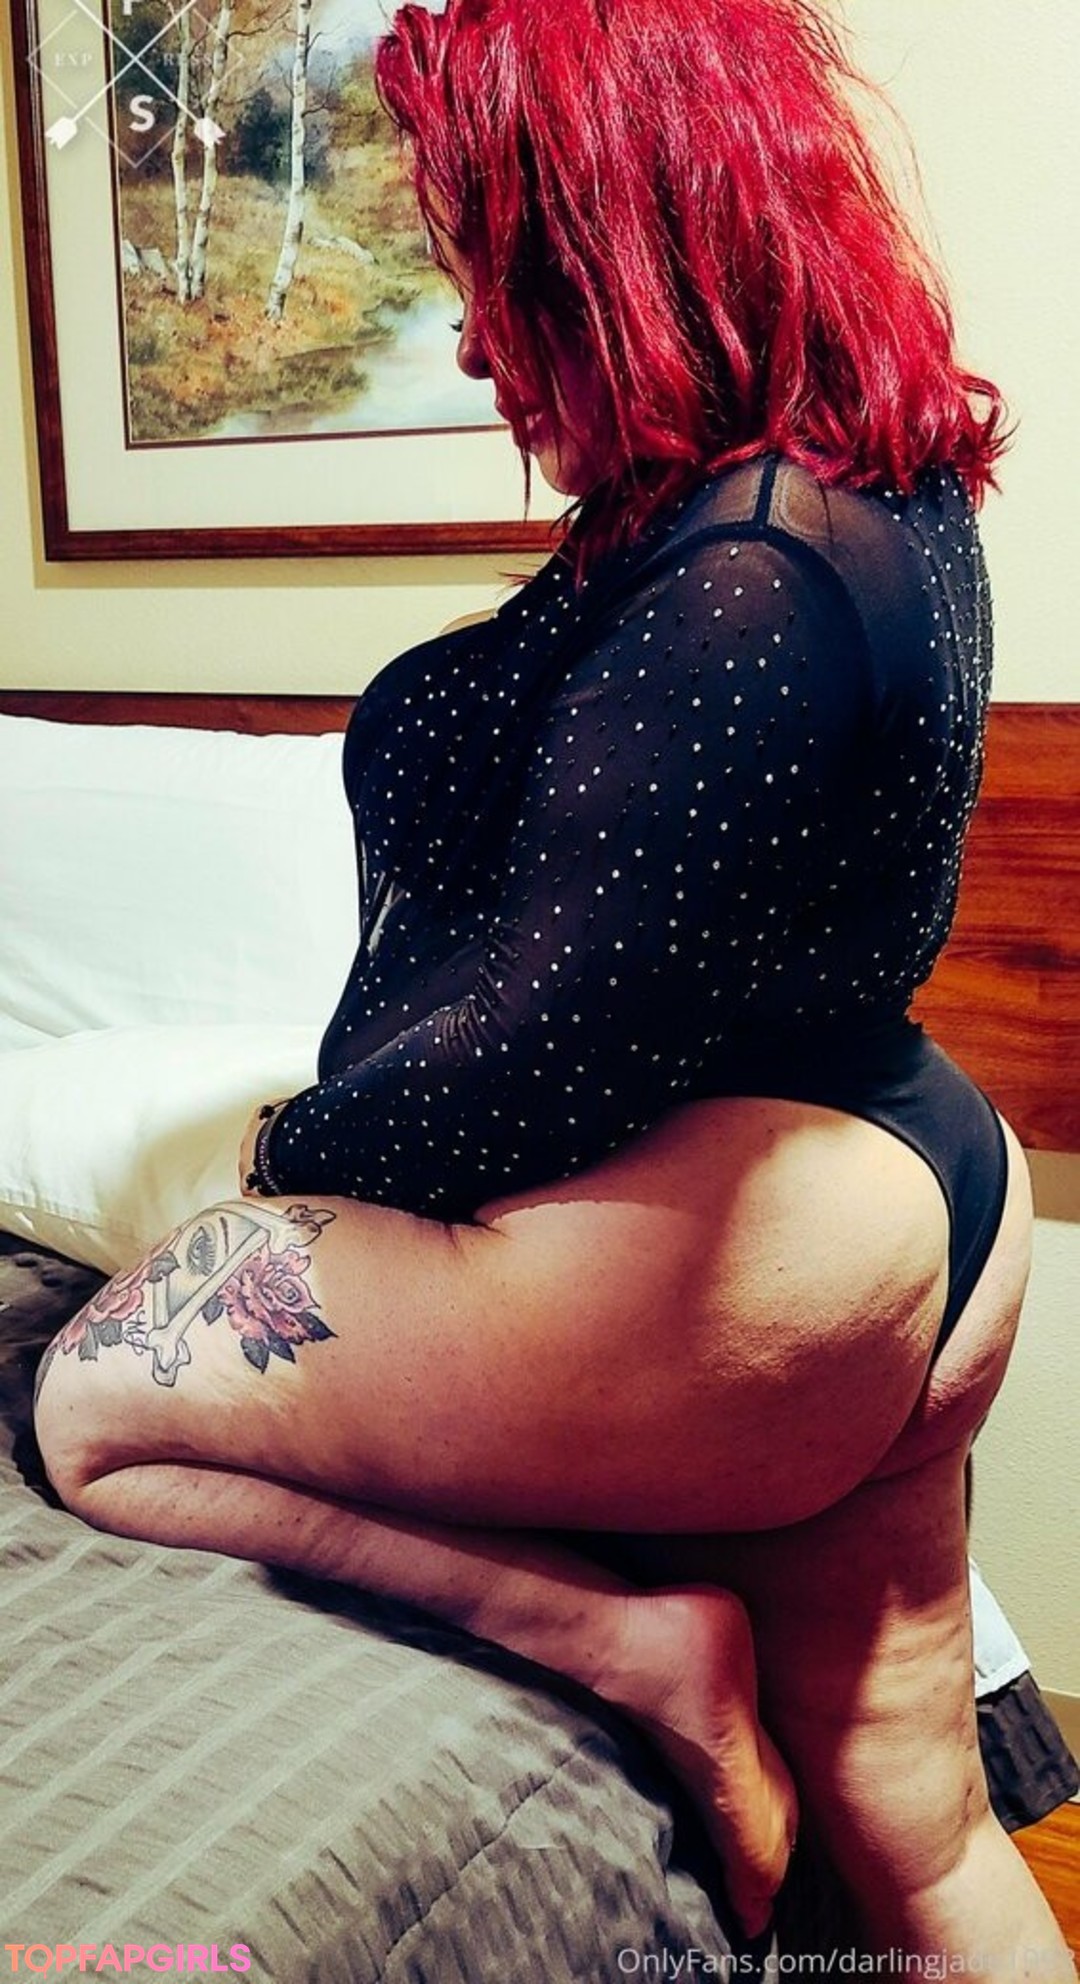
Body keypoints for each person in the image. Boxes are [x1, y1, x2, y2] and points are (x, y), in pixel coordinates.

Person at [32, 0, 1076, 1968]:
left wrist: (288, 1158)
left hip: (749, 1237)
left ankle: (636, 1647)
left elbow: (541, 1050)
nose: (470, 336)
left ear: (612, 229)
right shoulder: (853, 487)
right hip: (909, 1170)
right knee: (914, 1810)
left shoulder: (749, 566)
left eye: (490, 271)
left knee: (92, 1404)